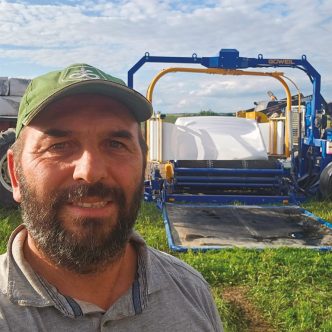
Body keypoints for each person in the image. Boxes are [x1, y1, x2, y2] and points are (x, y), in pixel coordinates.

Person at [0, 63, 223, 331]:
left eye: (116, 144)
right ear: (15, 174)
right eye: (58, 146)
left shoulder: (190, 290)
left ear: (143, 166)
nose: (90, 172)